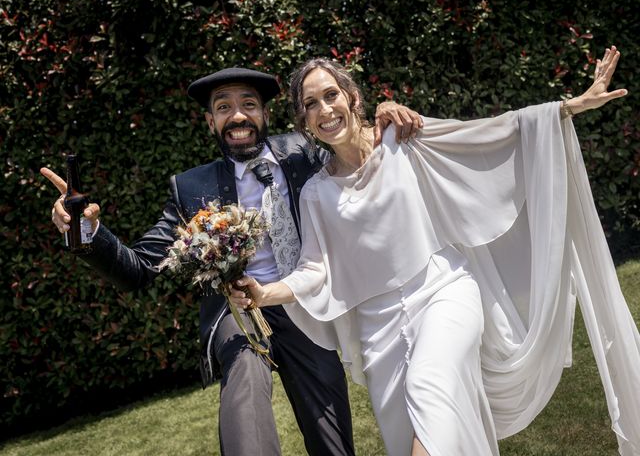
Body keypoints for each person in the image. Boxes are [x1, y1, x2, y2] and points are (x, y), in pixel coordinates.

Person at [231, 47, 640, 456]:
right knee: (409, 435)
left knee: (431, 389)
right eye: (311, 104)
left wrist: (570, 106)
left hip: (444, 293)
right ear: (304, 122)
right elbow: (314, 271)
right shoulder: (316, 194)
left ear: (353, 97)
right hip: (378, 334)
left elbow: (488, 134)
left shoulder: (402, 140)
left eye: (331, 95)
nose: (325, 109)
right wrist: (265, 294)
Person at [41, 67, 422, 456]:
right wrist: (87, 230)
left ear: (265, 115)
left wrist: (386, 113)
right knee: (244, 371)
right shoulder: (190, 187)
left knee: (332, 439)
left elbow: (355, 148)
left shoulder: (306, 154)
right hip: (237, 311)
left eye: (248, 105)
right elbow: (138, 269)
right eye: (224, 107)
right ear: (211, 122)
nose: (237, 116)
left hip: (303, 302)